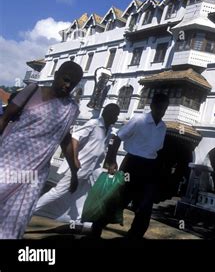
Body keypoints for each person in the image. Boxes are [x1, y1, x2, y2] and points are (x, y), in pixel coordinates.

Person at [0, 61, 83, 239]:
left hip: (35, 173)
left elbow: (65, 139)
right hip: (7, 160)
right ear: (56, 75)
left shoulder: (71, 109)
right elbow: (4, 118)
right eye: (66, 79)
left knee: (17, 216)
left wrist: (74, 171)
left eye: (73, 84)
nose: (68, 86)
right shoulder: (32, 91)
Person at [91, 93, 169, 239]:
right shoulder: (139, 120)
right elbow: (116, 138)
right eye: (159, 107)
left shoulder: (163, 127)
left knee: (145, 208)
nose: (162, 111)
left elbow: (158, 150)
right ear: (152, 106)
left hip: (150, 168)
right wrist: (111, 160)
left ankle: (134, 237)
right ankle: (95, 230)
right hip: (132, 165)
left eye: (164, 108)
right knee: (118, 202)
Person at [34, 103, 121, 225]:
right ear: (108, 114)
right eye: (116, 115)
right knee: (58, 191)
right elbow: (75, 137)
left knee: (83, 195)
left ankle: (78, 220)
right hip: (79, 167)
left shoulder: (109, 130)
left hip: (92, 169)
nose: (117, 118)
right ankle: (31, 209)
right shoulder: (93, 124)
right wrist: (75, 159)